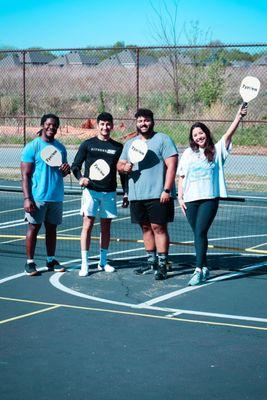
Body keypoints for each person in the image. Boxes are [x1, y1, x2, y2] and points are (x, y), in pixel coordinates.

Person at [177, 105, 248, 286]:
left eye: (201, 133)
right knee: (198, 234)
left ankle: (198, 269)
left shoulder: (216, 151)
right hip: (190, 200)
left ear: (206, 134)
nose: (199, 137)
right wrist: (180, 196)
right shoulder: (188, 153)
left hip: (209, 199)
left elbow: (228, 135)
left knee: (200, 231)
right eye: (195, 135)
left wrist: (238, 117)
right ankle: (205, 267)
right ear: (192, 138)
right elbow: (182, 176)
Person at [117, 108, 178, 281]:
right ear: (136, 123)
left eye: (146, 120)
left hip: (158, 194)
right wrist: (124, 167)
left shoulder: (163, 139)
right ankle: (151, 262)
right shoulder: (130, 144)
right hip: (137, 195)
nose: (143, 124)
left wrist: (167, 190)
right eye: (140, 121)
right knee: (145, 228)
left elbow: (172, 166)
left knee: (159, 228)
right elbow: (120, 165)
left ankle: (163, 263)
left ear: (152, 121)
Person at [71, 112, 126, 277]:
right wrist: (80, 178)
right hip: (90, 192)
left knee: (106, 228)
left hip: (109, 192)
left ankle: (102, 262)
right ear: (97, 125)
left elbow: (123, 173)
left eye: (108, 124)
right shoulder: (88, 144)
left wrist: (126, 193)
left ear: (112, 126)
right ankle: (85, 264)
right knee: (87, 226)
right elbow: (75, 166)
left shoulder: (118, 147)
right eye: (102, 124)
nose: (105, 127)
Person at [21, 114, 70, 276]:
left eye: (54, 125)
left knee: (52, 229)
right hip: (37, 197)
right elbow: (25, 175)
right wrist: (28, 198)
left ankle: (50, 260)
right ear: (42, 125)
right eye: (48, 124)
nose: (51, 127)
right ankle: (30, 262)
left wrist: (65, 170)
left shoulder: (61, 148)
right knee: (33, 228)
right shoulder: (32, 147)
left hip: (55, 197)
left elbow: (60, 172)